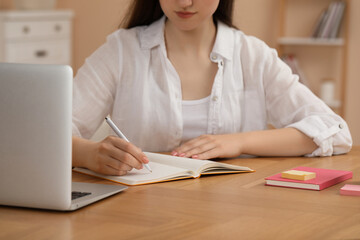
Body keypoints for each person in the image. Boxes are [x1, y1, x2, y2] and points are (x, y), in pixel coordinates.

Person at [72, 0, 352, 176]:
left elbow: (334, 131)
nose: (184, 2)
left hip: (235, 210)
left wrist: (237, 142)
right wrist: (89, 154)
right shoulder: (121, 50)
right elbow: (48, 132)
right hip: (138, 212)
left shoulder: (252, 55)